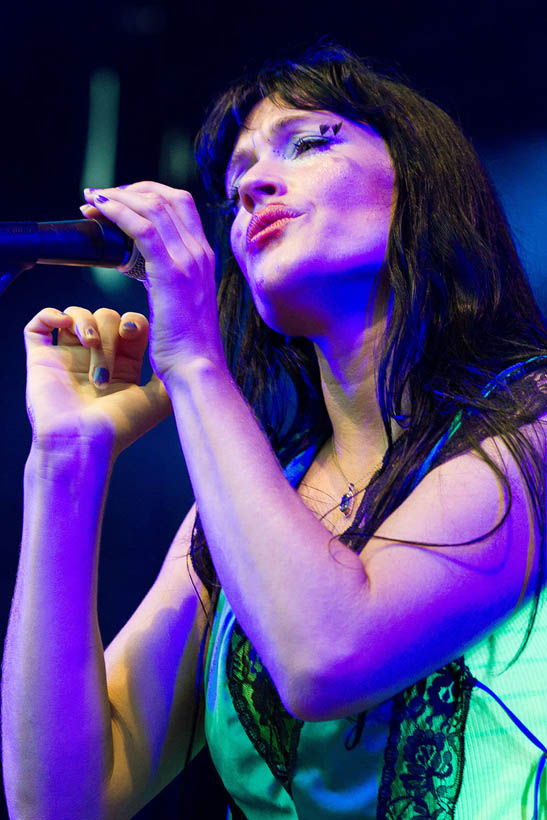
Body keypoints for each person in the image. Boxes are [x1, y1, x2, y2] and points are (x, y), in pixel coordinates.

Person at [2, 42, 547, 820]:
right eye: (233, 187)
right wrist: (63, 459)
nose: (253, 185)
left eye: (306, 143)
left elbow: (327, 656)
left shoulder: (531, 423)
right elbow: (61, 803)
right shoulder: (244, 517)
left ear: (422, 184)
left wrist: (190, 353)